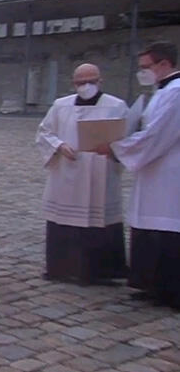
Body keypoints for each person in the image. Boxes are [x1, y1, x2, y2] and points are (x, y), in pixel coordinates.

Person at [96, 41, 180, 309]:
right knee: (149, 228)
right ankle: (152, 285)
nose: (141, 72)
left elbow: (156, 135)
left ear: (164, 64)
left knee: (166, 230)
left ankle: (169, 291)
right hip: (154, 171)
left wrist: (116, 148)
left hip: (169, 172)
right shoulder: (161, 91)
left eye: (146, 67)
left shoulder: (176, 92)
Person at [36, 63, 128, 285]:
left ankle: (101, 271)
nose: (86, 86)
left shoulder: (117, 106)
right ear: (73, 83)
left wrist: (114, 148)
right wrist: (58, 145)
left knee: (99, 218)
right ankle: (62, 268)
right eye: (80, 82)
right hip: (68, 171)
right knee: (65, 219)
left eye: (91, 81)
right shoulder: (61, 106)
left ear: (100, 81)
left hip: (100, 170)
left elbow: (127, 138)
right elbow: (44, 132)